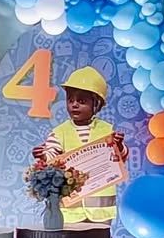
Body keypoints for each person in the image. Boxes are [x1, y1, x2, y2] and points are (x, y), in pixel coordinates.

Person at [32, 66, 129, 225]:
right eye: (70, 100)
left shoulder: (107, 130)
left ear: (96, 104)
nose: (74, 105)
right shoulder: (59, 132)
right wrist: (43, 156)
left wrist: (118, 147)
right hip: (70, 212)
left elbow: (121, 159)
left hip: (100, 213)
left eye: (81, 101)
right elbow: (51, 156)